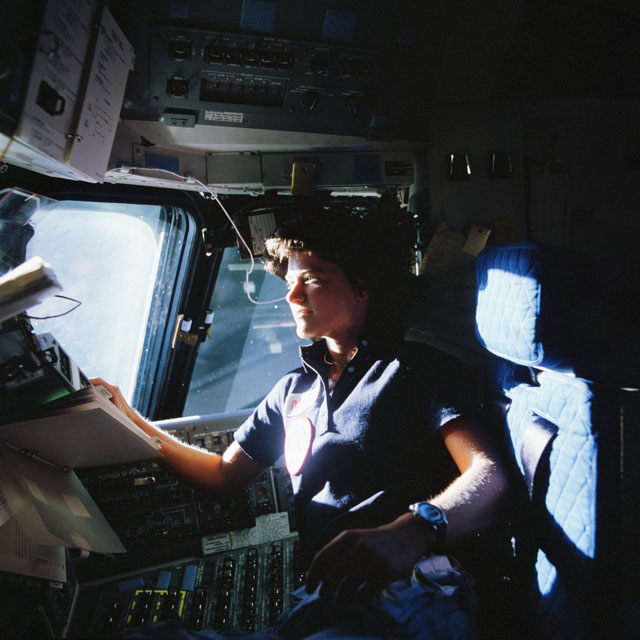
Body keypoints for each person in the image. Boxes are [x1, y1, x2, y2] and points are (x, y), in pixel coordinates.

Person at [92, 206, 510, 639]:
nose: (292, 297)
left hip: (415, 587)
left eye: (312, 280)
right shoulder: (292, 390)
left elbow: (491, 477)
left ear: (363, 285)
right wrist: (127, 418)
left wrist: (413, 530)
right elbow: (222, 475)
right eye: (290, 283)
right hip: (330, 597)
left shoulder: (419, 370)